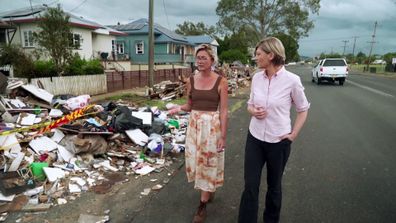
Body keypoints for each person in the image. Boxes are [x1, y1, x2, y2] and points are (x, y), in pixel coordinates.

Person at [238, 37, 310, 223]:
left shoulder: (292, 80)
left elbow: (303, 110)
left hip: (279, 142)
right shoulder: (256, 78)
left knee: (274, 186)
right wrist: (253, 111)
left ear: (271, 55)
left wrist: (293, 134)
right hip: (254, 138)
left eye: (259, 54)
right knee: (250, 185)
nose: (256, 58)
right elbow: (249, 105)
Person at [168, 44, 228, 223]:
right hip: (194, 126)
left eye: (204, 58)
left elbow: (224, 111)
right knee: (196, 161)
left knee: (207, 162)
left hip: (211, 127)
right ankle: (208, 189)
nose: (200, 61)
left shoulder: (221, 82)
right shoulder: (191, 80)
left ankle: (202, 205)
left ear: (212, 60)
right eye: (198, 58)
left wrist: (223, 136)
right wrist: (177, 108)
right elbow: (189, 105)